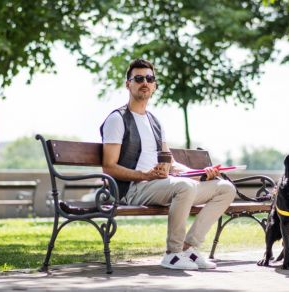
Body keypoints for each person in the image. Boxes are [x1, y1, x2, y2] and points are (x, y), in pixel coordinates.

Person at [100, 58, 237, 270]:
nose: (144, 82)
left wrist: (201, 173)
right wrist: (145, 175)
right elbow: (108, 167)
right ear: (128, 84)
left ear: (154, 85)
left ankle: (189, 249)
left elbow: (170, 163)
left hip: (162, 185)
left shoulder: (155, 122)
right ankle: (172, 254)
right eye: (138, 78)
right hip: (133, 189)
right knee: (185, 187)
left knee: (225, 188)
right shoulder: (117, 119)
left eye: (149, 78)